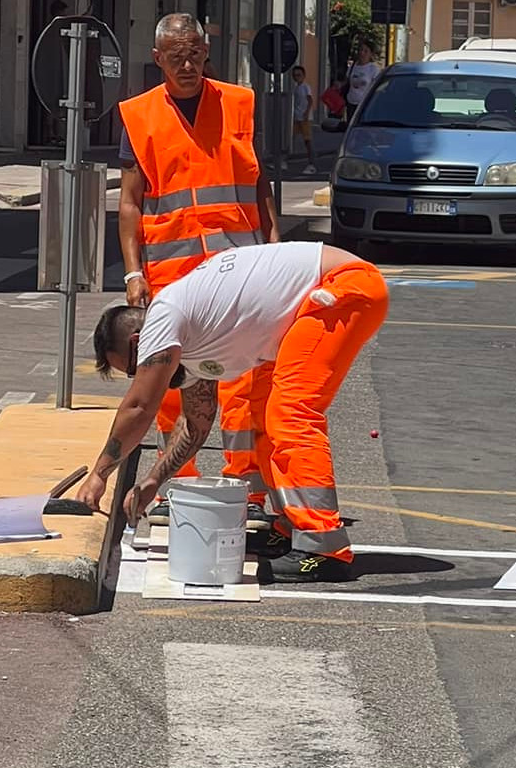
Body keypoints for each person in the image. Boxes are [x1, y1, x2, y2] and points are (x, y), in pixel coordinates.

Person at [79, 241, 389, 581]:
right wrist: (155, 480)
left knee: (290, 412)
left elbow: (140, 406)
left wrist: (100, 475)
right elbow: (196, 425)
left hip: (342, 287)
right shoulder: (192, 343)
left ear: (138, 341)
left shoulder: (163, 316)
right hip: (323, 297)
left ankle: (323, 548)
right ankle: (291, 526)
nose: (139, 375)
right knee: (265, 415)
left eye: (133, 368)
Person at [116, 13, 280, 515]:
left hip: (239, 271)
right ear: (158, 59)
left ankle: (248, 486)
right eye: (176, 57)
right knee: (171, 386)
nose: (186, 65)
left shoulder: (238, 103)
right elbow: (129, 202)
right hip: (173, 275)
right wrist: (133, 271)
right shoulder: (139, 115)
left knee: (244, 381)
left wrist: (274, 240)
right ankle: (176, 486)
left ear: (207, 53)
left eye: (194, 55)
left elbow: (258, 181)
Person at [291, 65, 316, 174]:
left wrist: (306, 113)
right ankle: (284, 159)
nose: (297, 77)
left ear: (303, 76)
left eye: (299, 75)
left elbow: (310, 100)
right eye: (295, 75)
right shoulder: (296, 87)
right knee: (290, 138)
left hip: (304, 117)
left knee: (307, 140)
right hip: (296, 116)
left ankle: (312, 163)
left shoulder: (306, 87)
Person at [345, 38, 382, 111]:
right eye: (361, 50)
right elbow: (346, 81)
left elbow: (377, 87)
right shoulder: (353, 66)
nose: (362, 53)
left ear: (371, 54)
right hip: (351, 103)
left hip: (364, 105)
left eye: (366, 51)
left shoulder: (373, 69)